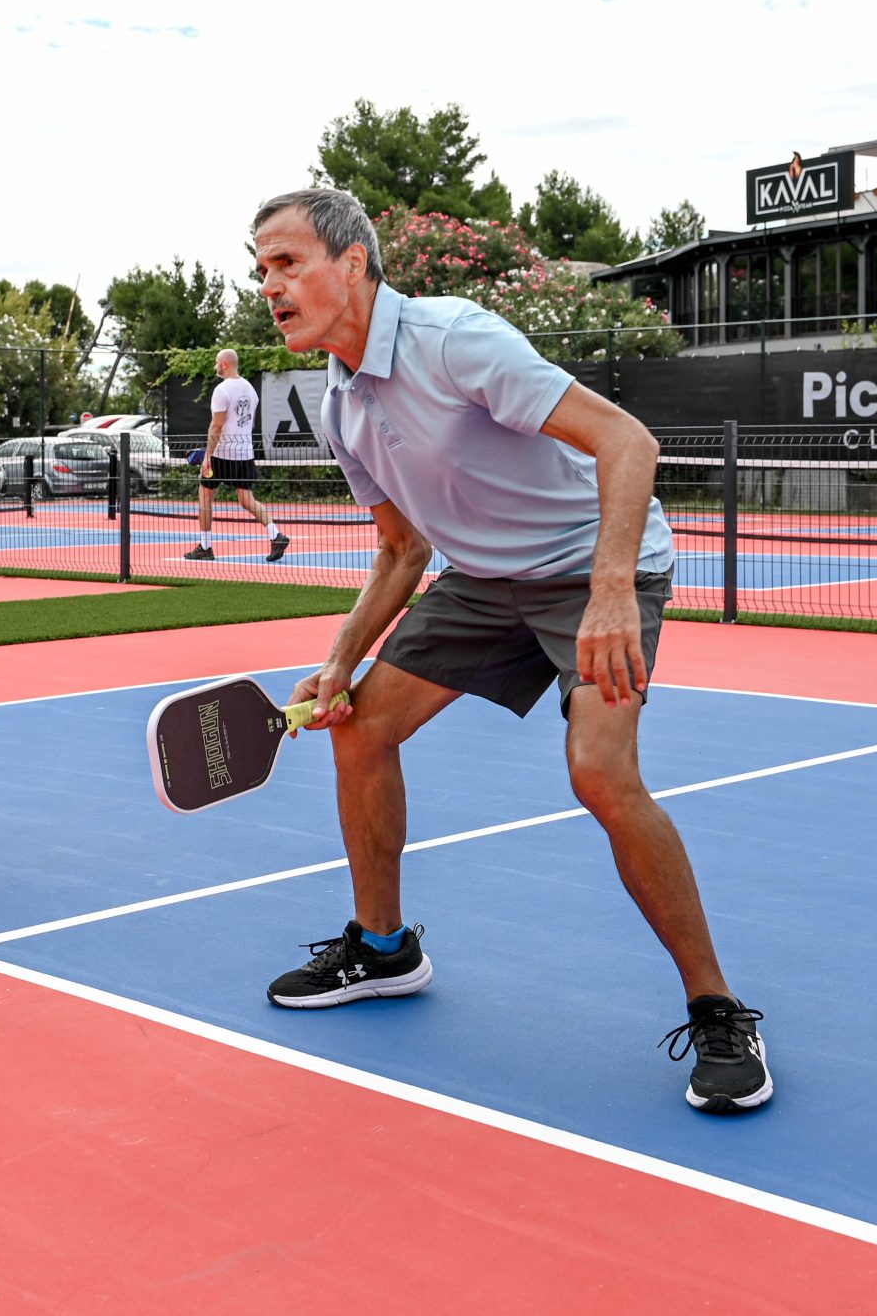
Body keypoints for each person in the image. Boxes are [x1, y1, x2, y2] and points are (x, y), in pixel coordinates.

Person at [247, 186, 770, 1115]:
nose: (269, 286)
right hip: (486, 581)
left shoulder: (455, 340)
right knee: (359, 725)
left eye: (287, 262)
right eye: (260, 270)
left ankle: (719, 1009)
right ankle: (383, 948)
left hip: (593, 564)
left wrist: (613, 591)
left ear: (353, 263)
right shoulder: (341, 403)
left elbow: (627, 441)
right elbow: (402, 549)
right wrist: (340, 659)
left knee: (600, 772)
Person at [183, 348, 288, 563]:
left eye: (217, 362)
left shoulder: (222, 390)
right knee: (246, 499)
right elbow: (251, 423)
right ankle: (276, 535)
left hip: (223, 453)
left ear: (224, 364)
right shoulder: (250, 389)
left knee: (205, 495)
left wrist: (208, 455)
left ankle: (205, 547)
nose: (215, 366)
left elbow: (216, 426)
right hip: (244, 452)